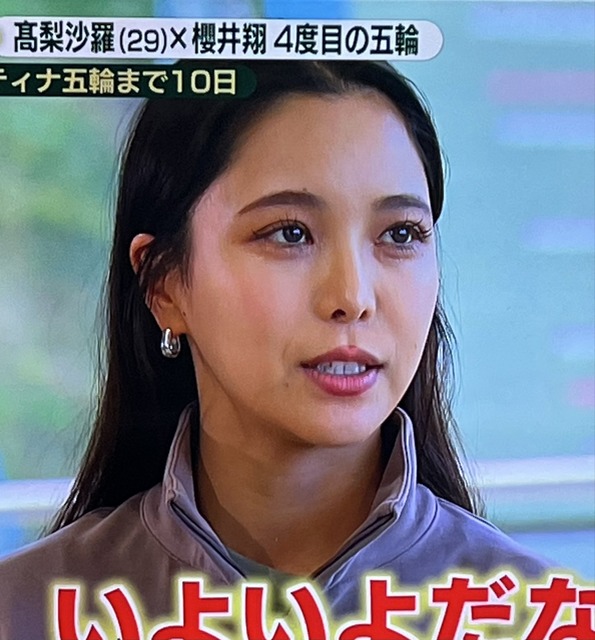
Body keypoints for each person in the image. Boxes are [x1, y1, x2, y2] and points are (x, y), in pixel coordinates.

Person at [0, 60, 553, 637]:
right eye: (290, 233)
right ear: (164, 285)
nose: (353, 297)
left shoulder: (528, 615)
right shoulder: (25, 611)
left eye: (400, 234)